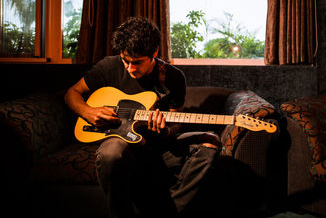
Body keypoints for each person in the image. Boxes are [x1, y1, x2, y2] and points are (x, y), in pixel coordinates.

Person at [64, 16, 221, 217]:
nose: (130, 69)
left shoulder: (173, 77)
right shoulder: (108, 67)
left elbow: (175, 126)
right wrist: (87, 111)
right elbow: (72, 93)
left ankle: (169, 210)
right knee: (111, 153)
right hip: (124, 145)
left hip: (159, 147)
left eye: (136, 63)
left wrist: (165, 130)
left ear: (154, 53)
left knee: (210, 142)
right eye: (125, 61)